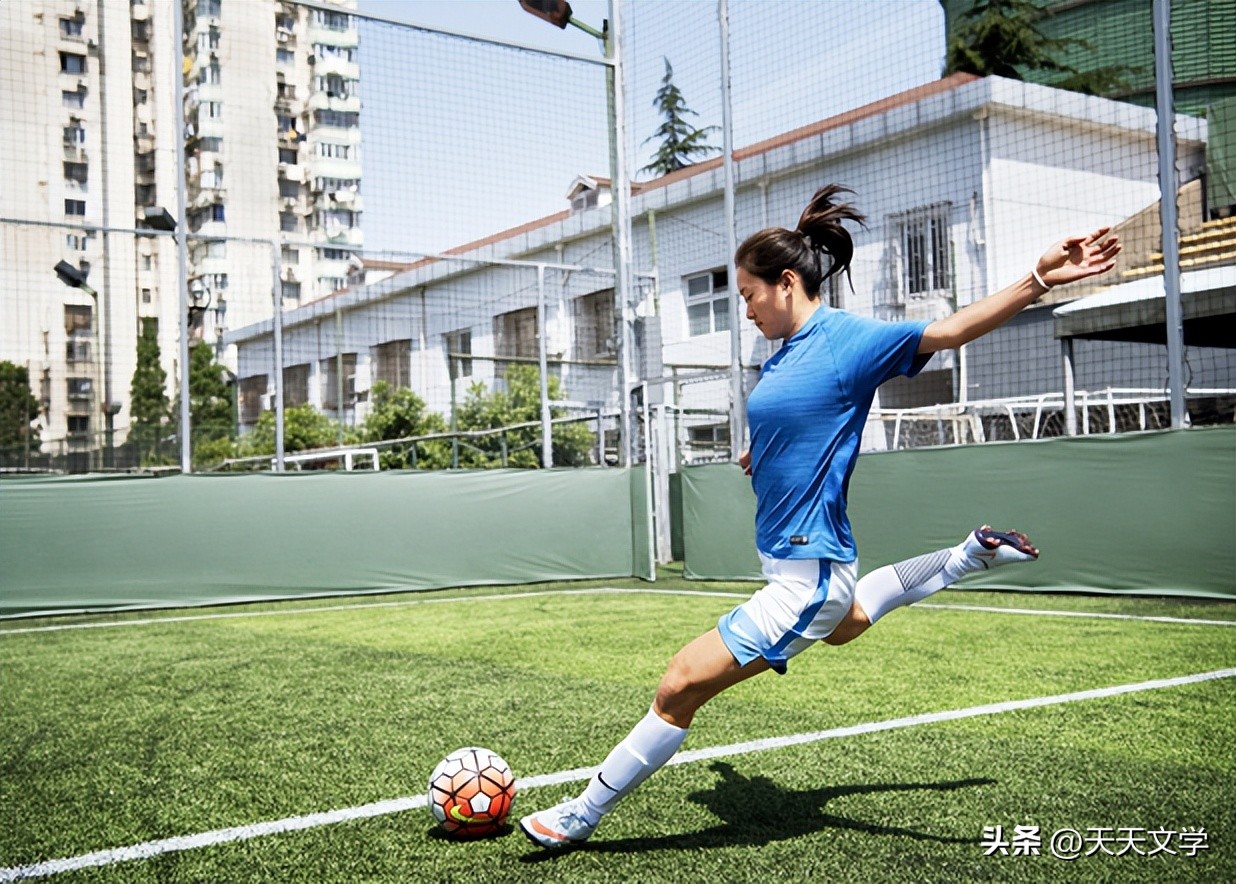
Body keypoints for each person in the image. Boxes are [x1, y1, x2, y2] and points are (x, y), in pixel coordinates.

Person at [519, 184, 1121, 849]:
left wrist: (1038, 278)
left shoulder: (847, 342)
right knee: (844, 623)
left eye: (746, 295)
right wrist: (762, 449)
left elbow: (948, 330)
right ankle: (968, 556)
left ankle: (579, 816)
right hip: (805, 566)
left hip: (807, 571)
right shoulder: (783, 353)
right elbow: (801, 417)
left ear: (783, 284)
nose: (743, 310)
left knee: (679, 685)